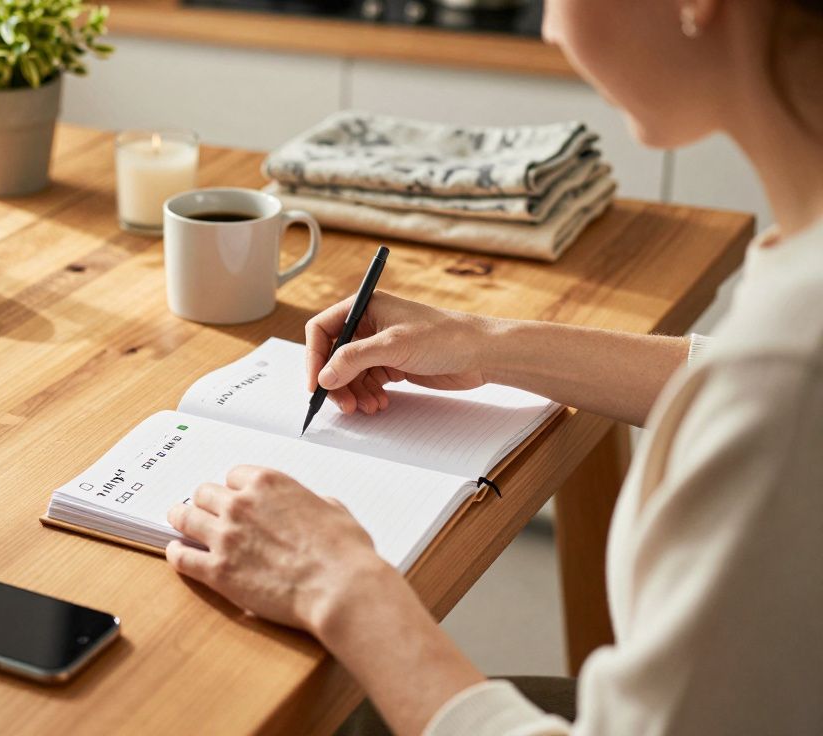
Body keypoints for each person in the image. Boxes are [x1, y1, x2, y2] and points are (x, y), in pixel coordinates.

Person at [163, 0, 823, 733]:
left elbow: (775, 392)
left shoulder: (789, 372)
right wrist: (484, 342)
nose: (548, 27)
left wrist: (342, 586)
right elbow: (743, 381)